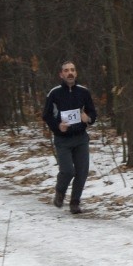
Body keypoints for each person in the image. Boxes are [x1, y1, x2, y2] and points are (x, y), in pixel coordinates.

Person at [42, 61, 97, 214]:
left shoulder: (84, 92)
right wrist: (58, 126)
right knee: (67, 171)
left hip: (81, 138)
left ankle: (75, 202)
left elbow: (93, 113)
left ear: (76, 73)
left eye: (72, 70)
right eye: (66, 71)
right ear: (61, 74)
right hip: (63, 140)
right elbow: (46, 115)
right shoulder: (54, 93)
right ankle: (60, 192)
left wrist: (88, 119)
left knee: (82, 172)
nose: (70, 73)